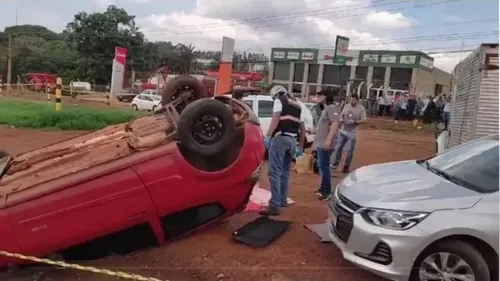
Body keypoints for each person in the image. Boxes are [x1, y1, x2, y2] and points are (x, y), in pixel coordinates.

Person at [259, 85, 306, 216]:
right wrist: (300, 147)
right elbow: (302, 128)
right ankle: (283, 200)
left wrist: (268, 136)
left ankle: (274, 205)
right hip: (292, 142)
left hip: (280, 139)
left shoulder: (280, 101)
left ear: (276, 95)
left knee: (274, 172)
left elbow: (275, 119)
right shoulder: (297, 105)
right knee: (285, 172)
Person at [313, 90, 341, 200]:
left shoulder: (331, 108)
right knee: (321, 165)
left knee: (324, 166)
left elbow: (335, 123)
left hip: (326, 143)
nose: (317, 97)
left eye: (319, 95)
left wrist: (328, 140)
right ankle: (323, 188)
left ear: (324, 97)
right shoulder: (326, 109)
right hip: (322, 142)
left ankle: (327, 191)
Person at [331, 94, 367, 174]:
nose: (352, 102)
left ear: (357, 100)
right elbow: (341, 115)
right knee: (339, 147)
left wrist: (356, 122)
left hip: (352, 132)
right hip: (344, 130)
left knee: (350, 150)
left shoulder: (361, 109)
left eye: (353, 100)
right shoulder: (346, 106)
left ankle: (346, 166)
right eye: (351, 100)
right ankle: (335, 164)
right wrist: (341, 120)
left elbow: (364, 119)